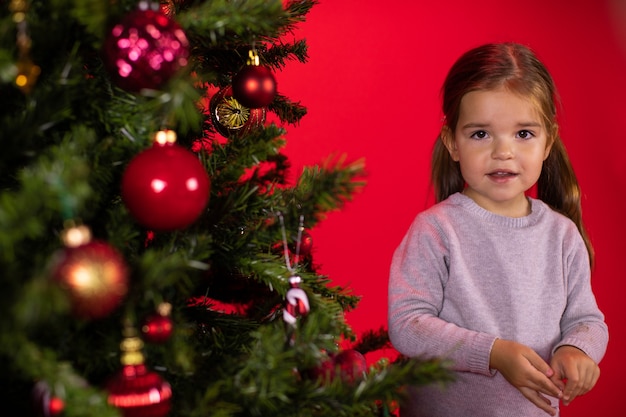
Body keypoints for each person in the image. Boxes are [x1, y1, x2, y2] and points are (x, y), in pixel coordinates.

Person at [387, 42, 608, 417]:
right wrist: (493, 352)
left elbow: (587, 320)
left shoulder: (562, 236)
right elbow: (407, 325)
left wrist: (577, 349)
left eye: (523, 134)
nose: (503, 152)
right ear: (453, 143)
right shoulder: (437, 230)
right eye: (480, 134)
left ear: (548, 141)